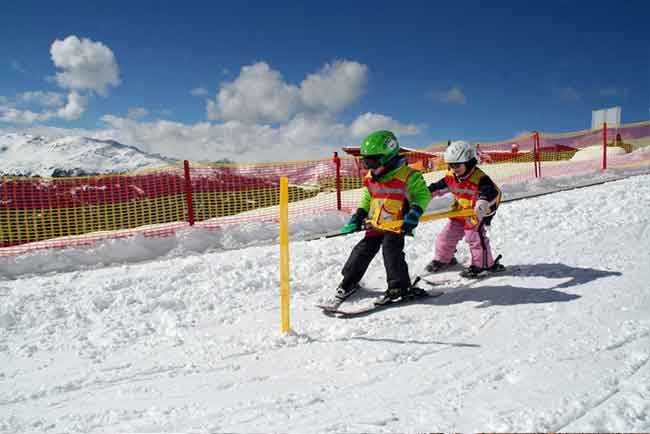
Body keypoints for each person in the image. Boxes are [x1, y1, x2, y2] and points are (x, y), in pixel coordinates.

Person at [335, 130, 432, 302]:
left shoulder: (409, 176)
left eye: (372, 161)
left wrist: (414, 214)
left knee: (391, 249)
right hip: (375, 223)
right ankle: (349, 281)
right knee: (363, 249)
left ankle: (399, 287)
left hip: (397, 224)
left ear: (389, 158)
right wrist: (359, 215)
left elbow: (422, 196)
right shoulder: (371, 176)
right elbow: (368, 197)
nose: (369, 166)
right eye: (365, 161)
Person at [426, 140, 504, 278]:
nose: (453, 168)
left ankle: (483, 265)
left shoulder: (480, 178)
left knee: (475, 238)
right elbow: (436, 188)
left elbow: (490, 191)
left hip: (474, 214)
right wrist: (423, 194)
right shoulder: (452, 177)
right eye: (450, 165)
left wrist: (482, 201)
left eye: (457, 165)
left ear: (468, 163)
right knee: (445, 237)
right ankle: (444, 259)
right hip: (459, 212)